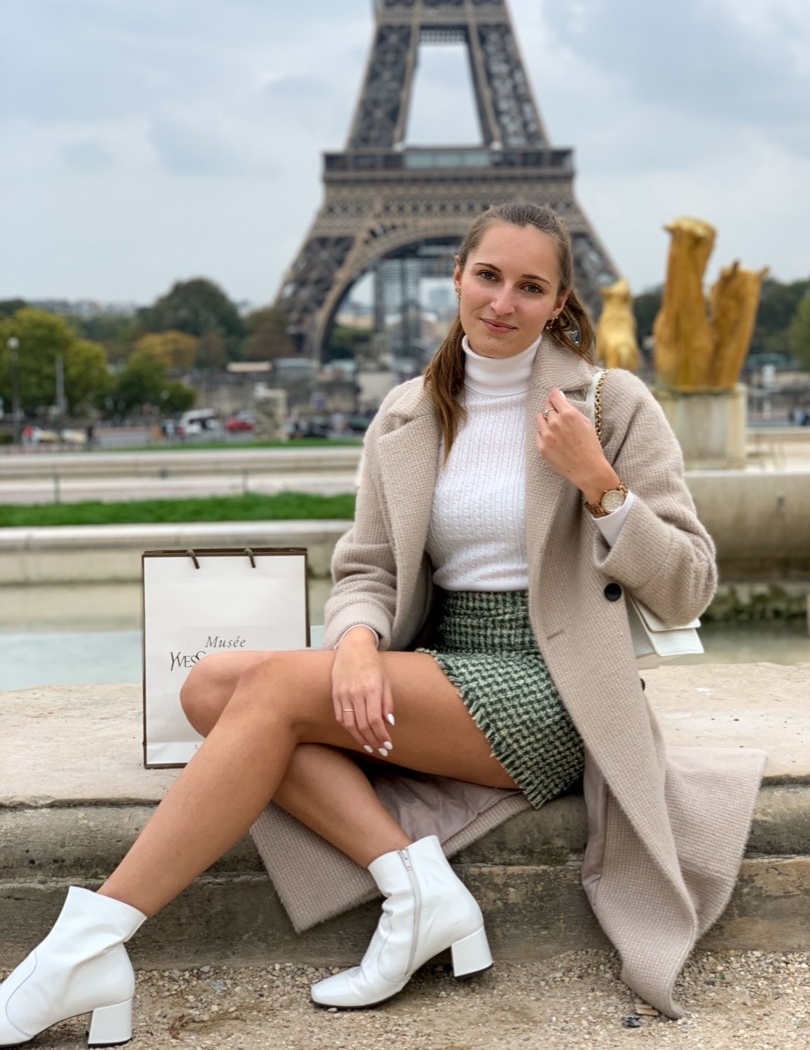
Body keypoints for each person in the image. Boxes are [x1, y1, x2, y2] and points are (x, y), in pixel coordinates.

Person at [0, 203, 765, 1046]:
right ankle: (418, 891)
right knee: (209, 687)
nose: (502, 301)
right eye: (488, 276)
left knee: (269, 691)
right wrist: (358, 645)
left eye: (529, 286)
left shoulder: (611, 405)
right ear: (457, 276)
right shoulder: (409, 411)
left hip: (554, 685)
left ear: (559, 302)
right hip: (439, 666)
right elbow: (365, 567)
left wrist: (601, 485)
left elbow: (690, 586)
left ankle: (85, 947)